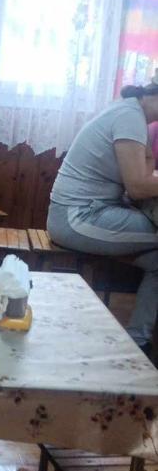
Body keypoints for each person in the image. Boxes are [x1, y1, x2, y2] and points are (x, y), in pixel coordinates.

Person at [47, 82, 158, 349]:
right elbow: (138, 186)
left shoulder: (131, 113)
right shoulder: (130, 118)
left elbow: (142, 178)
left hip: (83, 213)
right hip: (78, 218)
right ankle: (138, 341)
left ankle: (137, 343)